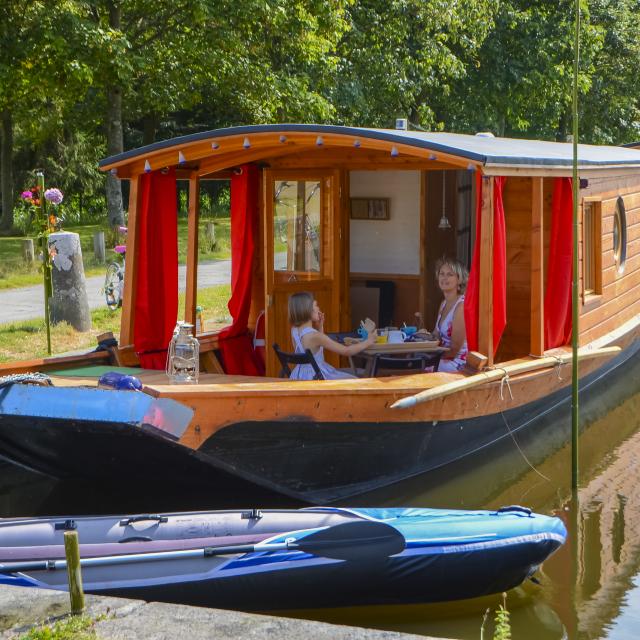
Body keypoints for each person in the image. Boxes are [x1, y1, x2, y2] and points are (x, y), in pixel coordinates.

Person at [288, 292, 376, 380]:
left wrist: (320, 326)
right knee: (355, 381)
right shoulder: (315, 336)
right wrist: (368, 341)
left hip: (299, 376)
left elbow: (314, 348)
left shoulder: (294, 330)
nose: (318, 308)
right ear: (307, 310)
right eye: (315, 305)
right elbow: (346, 351)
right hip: (316, 377)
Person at [432, 258, 468, 372]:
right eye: (441, 274)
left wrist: (430, 357)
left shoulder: (461, 306)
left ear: (459, 279)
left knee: (421, 366)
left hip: (457, 361)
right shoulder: (443, 304)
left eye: (450, 274)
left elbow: (454, 350)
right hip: (442, 357)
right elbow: (436, 336)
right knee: (413, 359)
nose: (444, 278)